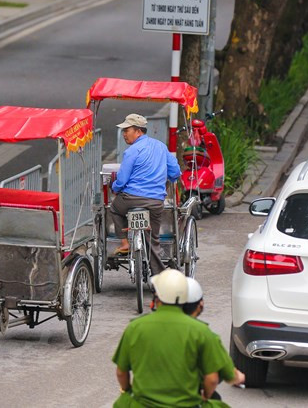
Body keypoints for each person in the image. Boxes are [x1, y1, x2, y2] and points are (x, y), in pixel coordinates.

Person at [112, 269, 243, 408]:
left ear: (157, 296)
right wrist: (205, 397)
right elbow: (212, 379)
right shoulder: (201, 332)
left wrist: (127, 391)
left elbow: (121, 371)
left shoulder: (135, 327)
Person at [109, 114, 181, 276]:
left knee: (114, 208)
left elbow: (122, 180)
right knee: (153, 240)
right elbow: (175, 172)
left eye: (127, 130)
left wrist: (115, 187)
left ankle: (125, 242)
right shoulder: (161, 147)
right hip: (155, 202)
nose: (124, 134)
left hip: (130, 200)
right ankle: (159, 278)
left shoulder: (132, 151)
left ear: (138, 132)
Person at [183, 278, 245, 402]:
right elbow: (217, 378)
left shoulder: (141, 328)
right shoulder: (204, 334)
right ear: (200, 304)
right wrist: (205, 396)